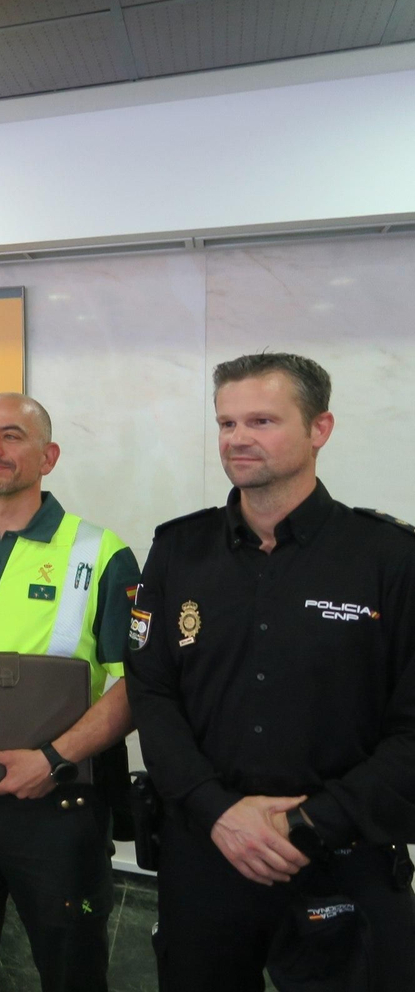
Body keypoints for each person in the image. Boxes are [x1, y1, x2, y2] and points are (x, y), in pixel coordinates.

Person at [126, 353, 415, 991]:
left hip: (343, 861)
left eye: (262, 420)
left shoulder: (390, 559)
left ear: (320, 429)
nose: (238, 438)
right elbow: (152, 691)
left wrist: (305, 825)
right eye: (227, 423)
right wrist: (217, 810)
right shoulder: (178, 550)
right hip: (206, 854)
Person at [0, 393, 139, 992]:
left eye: (11, 435)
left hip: (58, 803)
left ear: (49, 456)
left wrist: (53, 759)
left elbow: (137, 684)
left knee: (72, 972)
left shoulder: (101, 553)